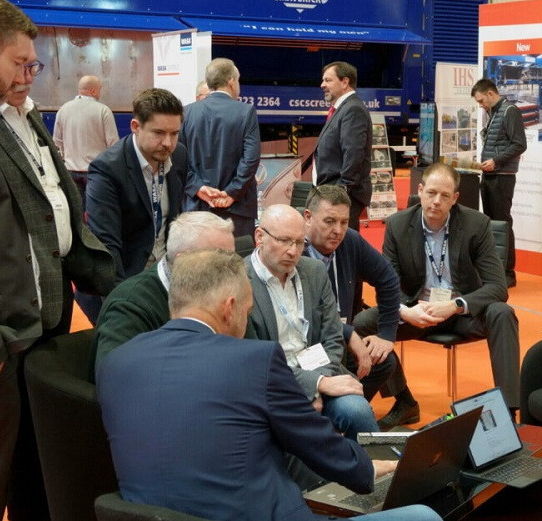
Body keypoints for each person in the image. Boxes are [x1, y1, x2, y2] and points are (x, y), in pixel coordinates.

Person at [97, 249, 442, 521]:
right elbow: (316, 442)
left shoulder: (116, 363)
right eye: (248, 310)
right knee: (423, 516)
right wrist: (369, 467)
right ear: (230, 308)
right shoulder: (253, 361)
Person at [0, 0, 115, 521]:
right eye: (20, 63)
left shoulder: (24, 115)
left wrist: (118, 284)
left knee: (35, 472)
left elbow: (52, 215)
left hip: (39, 326)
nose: (28, 75)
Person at [355, 163, 520, 428]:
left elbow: (498, 287)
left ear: (455, 198)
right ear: (420, 190)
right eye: (431, 193)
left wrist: (455, 305)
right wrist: (406, 311)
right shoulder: (398, 224)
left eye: (445, 195)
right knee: (362, 323)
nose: (436, 201)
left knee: (502, 313)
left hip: (462, 314)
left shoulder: (476, 224)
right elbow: (387, 284)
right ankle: (405, 401)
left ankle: (509, 413)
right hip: (417, 311)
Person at [244, 204, 380, 440]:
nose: (293, 251)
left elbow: (333, 337)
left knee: (358, 412)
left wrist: (320, 382)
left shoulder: (314, 271)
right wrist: (314, 385)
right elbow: (254, 362)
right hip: (272, 385)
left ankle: (372, 465)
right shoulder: (239, 280)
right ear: (260, 236)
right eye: (284, 241)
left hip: (323, 370)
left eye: (299, 243)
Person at [90, 211, 235, 379]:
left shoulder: (220, 288)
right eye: (219, 262)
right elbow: (115, 378)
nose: (231, 271)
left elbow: (246, 349)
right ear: (183, 263)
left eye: (233, 259)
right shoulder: (129, 305)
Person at [303, 184, 400, 402]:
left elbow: (388, 279)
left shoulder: (350, 241)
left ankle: (347, 409)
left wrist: (386, 334)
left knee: (383, 360)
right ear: (308, 217)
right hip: (308, 347)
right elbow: (307, 314)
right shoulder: (294, 251)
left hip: (340, 341)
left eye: (344, 222)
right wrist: (348, 333)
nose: (338, 230)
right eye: (329, 221)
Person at [87, 88, 189, 288]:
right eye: (158, 133)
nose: (168, 143)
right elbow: (106, 243)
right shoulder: (107, 169)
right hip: (127, 278)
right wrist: (120, 297)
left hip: (165, 275)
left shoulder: (179, 156)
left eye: (174, 134)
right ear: (135, 126)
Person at [180, 58, 261, 236]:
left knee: (198, 254)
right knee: (237, 254)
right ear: (231, 81)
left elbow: (178, 158)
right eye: (238, 80)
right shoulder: (246, 112)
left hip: (196, 208)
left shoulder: (186, 113)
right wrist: (232, 192)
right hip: (237, 210)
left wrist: (198, 188)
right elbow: (251, 159)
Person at [471, 78, 527, 287]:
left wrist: (496, 161)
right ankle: (496, 271)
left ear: (490, 94)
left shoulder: (510, 111)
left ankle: (508, 273)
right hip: (490, 175)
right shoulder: (493, 113)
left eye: (481, 100)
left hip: (502, 177)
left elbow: (520, 144)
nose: (480, 105)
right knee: (492, 225)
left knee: (502, 224)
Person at [310, 61, 372, 231]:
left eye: (328, 80)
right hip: (333, 193)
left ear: (345, 82)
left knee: (340, 241)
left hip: (342, 197)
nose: (322, 85)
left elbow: (354, 154)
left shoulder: (353, 109)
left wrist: (342, 190)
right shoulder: (343, 108)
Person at [52, 75, 119, 205]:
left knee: (76, 211)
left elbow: (56, 143)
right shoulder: (103, 110)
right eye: (100, 89)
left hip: (70, 171)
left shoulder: (63, 109)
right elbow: (114, 145)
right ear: (93, 91)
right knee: (95, 211)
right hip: (96, 172)